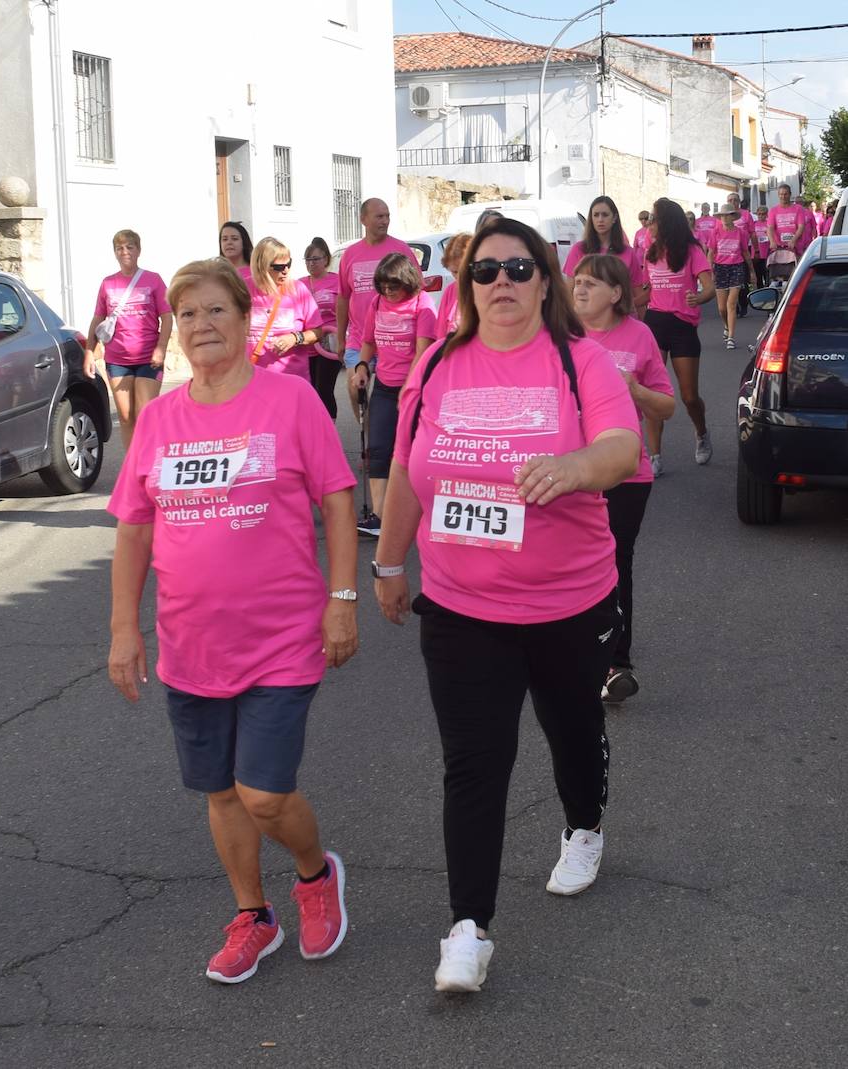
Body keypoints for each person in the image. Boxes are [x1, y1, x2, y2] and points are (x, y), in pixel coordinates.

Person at [371, 217, 640, 993]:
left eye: (519, 269)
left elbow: (622, 446)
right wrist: (387, 562)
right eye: (486, 270)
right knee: (474, 762)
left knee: (572, 730)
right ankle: (468, 927)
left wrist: (574, 466)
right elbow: (407, 468)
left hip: (568, 601)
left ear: (544, 281)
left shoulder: (579, 360)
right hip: (462, 606)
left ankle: (583, 824)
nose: (502, 282)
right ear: (467, 285)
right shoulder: (436, 363)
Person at [107, 257, 358, 985]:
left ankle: (315, 875)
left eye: (216, 309)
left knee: (264, 794)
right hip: (191, 644)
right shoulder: (160, 419)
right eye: (187, 314)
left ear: (246, 320)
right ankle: (253, 914)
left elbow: (337, 499)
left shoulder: (291, 401)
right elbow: (133, 529)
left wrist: (343, 599)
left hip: (281, 639)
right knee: (220, 791)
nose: (201, 325)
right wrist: (124, 629)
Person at [571, 253, 675, 705]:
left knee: (614, 564)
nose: (579, 288)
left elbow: (666, 406)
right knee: (567, 561)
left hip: (625, 473)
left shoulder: (639, 335)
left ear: (616, 293)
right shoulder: (559, 335)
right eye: (577, 281)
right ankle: (570, 646)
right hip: (569, 470)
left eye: (590, 283)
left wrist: (634, 390)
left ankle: (616, 663)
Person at [347, 253, 437, 538]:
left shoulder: (422, 304)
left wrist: (409, 390)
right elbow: (368, 342)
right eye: (383, 286)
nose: (388, 291)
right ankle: (380, 517)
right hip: (384, 387)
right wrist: (362, 367)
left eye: (393, 286)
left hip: (416, 389)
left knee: (413, 452)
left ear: (407, 282)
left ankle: (420, 514)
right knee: (378, 449)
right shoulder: (377, 303)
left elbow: (422, 353)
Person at [642, 198, 716, 472]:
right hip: (655, 324)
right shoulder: (650, 252)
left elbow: (709, 287)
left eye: (653, 218)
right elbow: (646, 291)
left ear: (667, 222)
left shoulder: (691, 250)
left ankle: (702, 433)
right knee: (652, 393)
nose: (649, 223)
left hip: (683, 326)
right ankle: (655, 456)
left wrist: (699, 298)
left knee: (689, 397)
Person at [86, 229, 173, 451]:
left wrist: (161, 348)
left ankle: (150, 460)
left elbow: (167, 316)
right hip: (117, 360)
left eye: (129, 247)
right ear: (115, 253)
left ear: (138, 250)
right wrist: (89, 352)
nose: (125, 252)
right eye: (120, 248)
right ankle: (132, 465)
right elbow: (98, 318)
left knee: (144, 414)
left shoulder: (153, 280)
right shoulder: (108, 284)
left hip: (148, 358)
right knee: (125, 417)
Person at [336, 197, 418, 377]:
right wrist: (340, 338)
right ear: (363, 219)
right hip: (358, 339)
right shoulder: (350, 255)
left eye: (387, 216)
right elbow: (343, 298)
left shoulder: (401, 250)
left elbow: (417, 291)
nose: (385, 221)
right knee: (355, 383)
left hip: (393, 340)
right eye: (379, 216)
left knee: (388, 389)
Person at [246, 236, 321, 379]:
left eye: (288, 264)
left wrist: (294, 338)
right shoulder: (243, 289)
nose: (286, 270)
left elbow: (318, 332)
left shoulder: (298, 289)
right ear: (261, 266)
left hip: (291, 377)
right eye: (279, 267)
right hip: (251, 376)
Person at [562, 196, 648, 310]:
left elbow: (638, 294)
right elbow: (569, 291)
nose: (600, 219)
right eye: (596, 215)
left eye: (605, 215)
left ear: (614, 218)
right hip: (587, 317)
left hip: (621, 316)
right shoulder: (578, 249)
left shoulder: (628, 253)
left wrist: (641, 319)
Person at [301, 236, 342, 419]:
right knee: (309, 391)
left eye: (316, 259)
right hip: (307, 344)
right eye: (308, 259)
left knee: (323, 389)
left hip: (330, 343)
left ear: (326, 259)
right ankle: (314, 427)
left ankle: (329, 427)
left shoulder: (337, 281)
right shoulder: (299, 284)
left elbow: (348, 309)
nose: (311, 263)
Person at [710, 204, 754, 350]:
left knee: (731, 304)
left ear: (733, 217)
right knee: (722, 308)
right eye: (722, 215)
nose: (724, 218)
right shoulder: (715, 232)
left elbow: (745, 252)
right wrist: (710, 270)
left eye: (727, 215)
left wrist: (751, 271)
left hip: (737, 267)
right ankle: (726, 325)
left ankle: (731, 337)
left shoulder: (741, 232)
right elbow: (711, 252)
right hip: (720, 268)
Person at [434, 233, 471, 340]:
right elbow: (441, 335)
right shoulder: (450, 291)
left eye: (464, 270)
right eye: (454, 272)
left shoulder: (486, 289)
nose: (460, 277)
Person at [767, 184, 805, 262]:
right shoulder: (773, 210)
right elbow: (770, 228)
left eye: (785, 194)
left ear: (790, 194)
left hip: (795, 248)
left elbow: (801, 227)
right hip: (779, 248)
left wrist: (793, 240)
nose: (783, 197)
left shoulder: (798, 208)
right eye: (781, 194)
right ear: (778, 195)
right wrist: (772, 241)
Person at [752, 205, 771, 289]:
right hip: (756, 253)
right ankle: (759, 291)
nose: (761, 216)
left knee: (767, 274)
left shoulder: (769, 223)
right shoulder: (754, 224)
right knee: (758, 275)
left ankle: (768, 290)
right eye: (759, 214)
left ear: (766, 214)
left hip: (767, 252)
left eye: (763, 214)